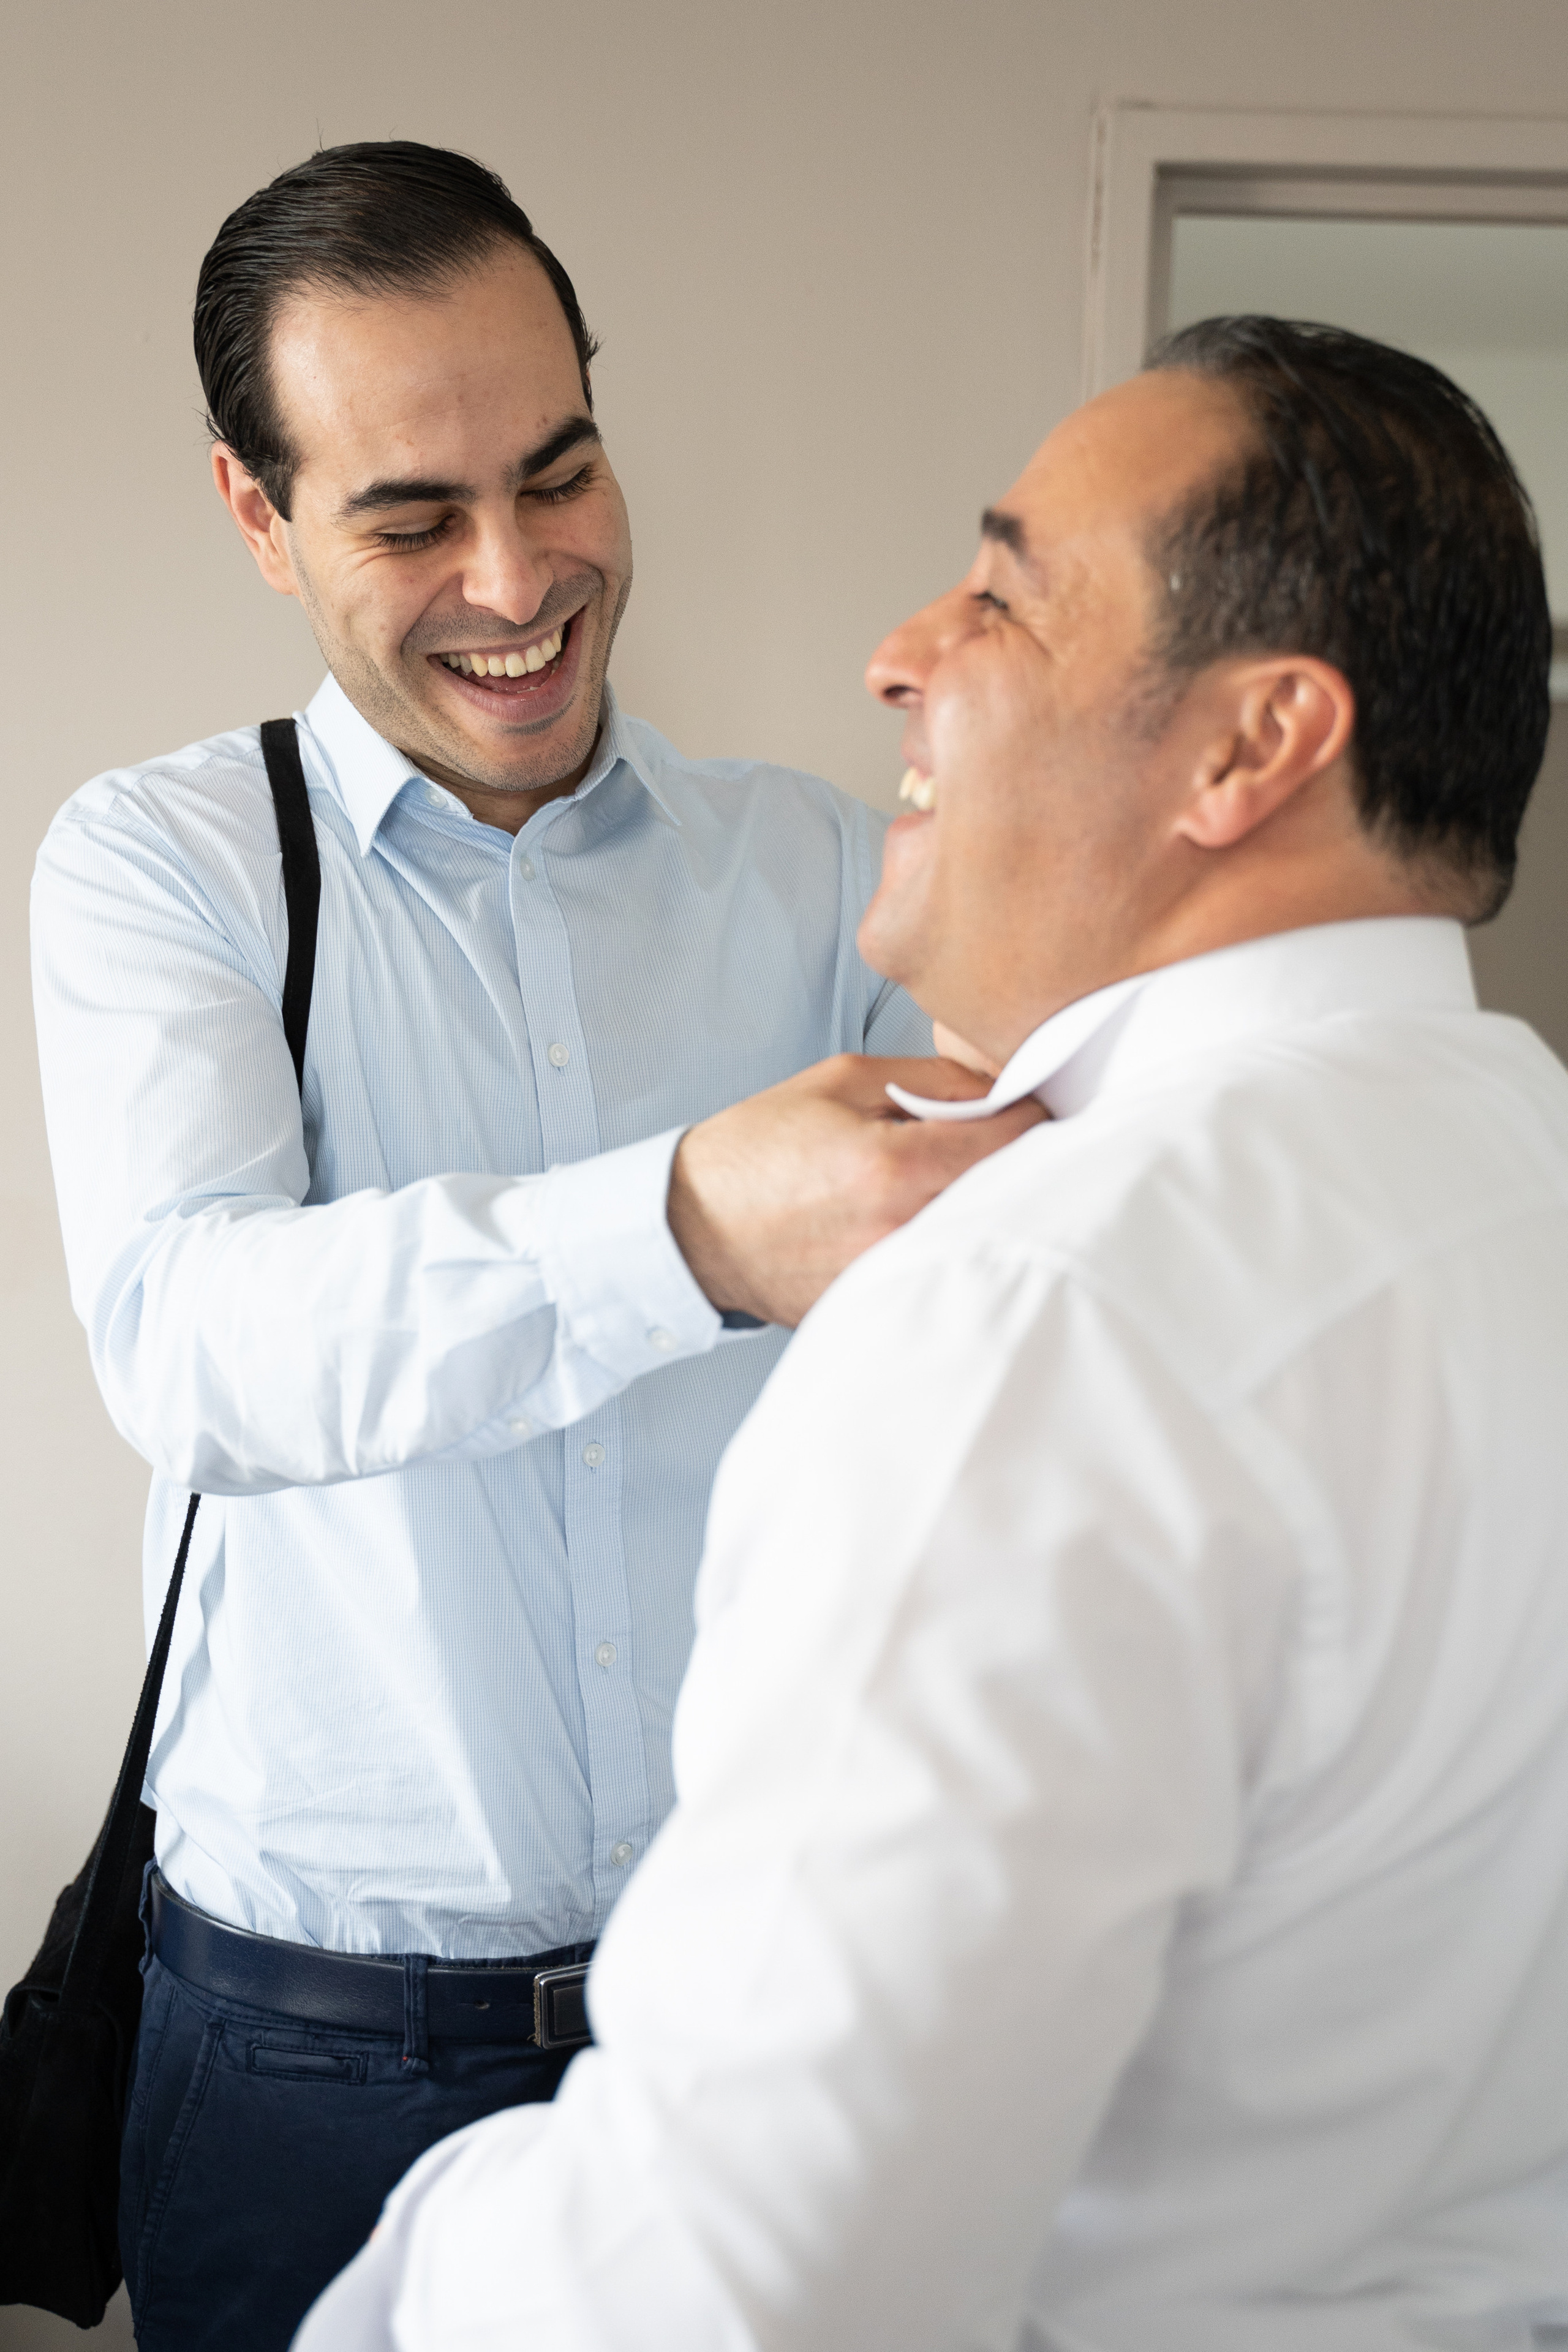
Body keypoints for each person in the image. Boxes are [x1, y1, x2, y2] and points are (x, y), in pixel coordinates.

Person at [297, 317, 1568, 2352]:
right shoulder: (1521, 1171)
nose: (904, 650)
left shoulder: (1052, 1318)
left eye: (1002, 593)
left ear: (1252, 747)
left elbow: (731, 2291)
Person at [28, 141, 1036, 2352]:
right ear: (255, 516)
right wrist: (684, 1225)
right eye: (409, 517)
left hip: (748, 2012)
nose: (520, 572)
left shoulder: (820, 871)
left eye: (561, 469)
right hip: (307, 2050)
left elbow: (1047, 1242)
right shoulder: (163, 867)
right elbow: (203, 1346)